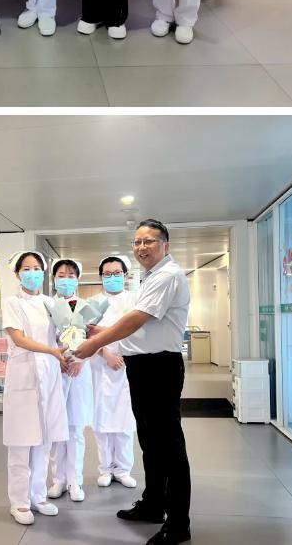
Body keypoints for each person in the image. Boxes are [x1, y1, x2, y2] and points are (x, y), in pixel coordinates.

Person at [75, 220, 192, 545]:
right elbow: (140, 325)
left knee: (169, 445)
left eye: (149, 241)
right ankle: (153, 504)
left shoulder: (168, 275)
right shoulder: (151, 277)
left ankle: (178, 524)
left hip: (160, 367)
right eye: (137, 242)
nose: (142, 247)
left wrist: (96, 344)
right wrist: (103, 333)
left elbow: (137, 319)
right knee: (150, 441)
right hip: (142, 367)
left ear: (165, 245)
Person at [2, 251, 70, 526]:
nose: (32, 273)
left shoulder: (51, 303)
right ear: (17, 274)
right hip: (24, 373)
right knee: (21, 442)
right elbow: (18, 338)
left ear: (43, 272)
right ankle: (19, 501)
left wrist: (71, 343)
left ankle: (38, 496)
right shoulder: (12, 302)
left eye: (37, 268)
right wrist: (52, 351)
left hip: (50, 373)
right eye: (26, 269)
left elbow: (62, 334)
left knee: (45, 439)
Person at [89, 255, 137, 489]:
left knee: (125, 421)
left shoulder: (135, 300)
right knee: (102, 420)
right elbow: (87, 334)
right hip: (101, 366)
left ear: (125, 275)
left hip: (128, 365)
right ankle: (106, 469)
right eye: (107, 274)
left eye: (117, 273)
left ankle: (123, 469)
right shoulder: (93, 303)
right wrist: (106, 354)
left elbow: (139, 330)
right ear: (101, 277)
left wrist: (124, 354)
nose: (112, 277)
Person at [48, 258, 93, 503]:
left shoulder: (86, 307)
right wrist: (57, 359)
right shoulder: (46, 305)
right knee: (57, 428)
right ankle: (58, 479)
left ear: (78, 279)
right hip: (55, 371)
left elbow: (94, 340)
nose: (66, 279)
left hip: (78, 373)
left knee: (75, 428)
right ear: (54, 278)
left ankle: (75, 481)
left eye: (71, 275)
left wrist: (80, 360)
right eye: (61, 275)